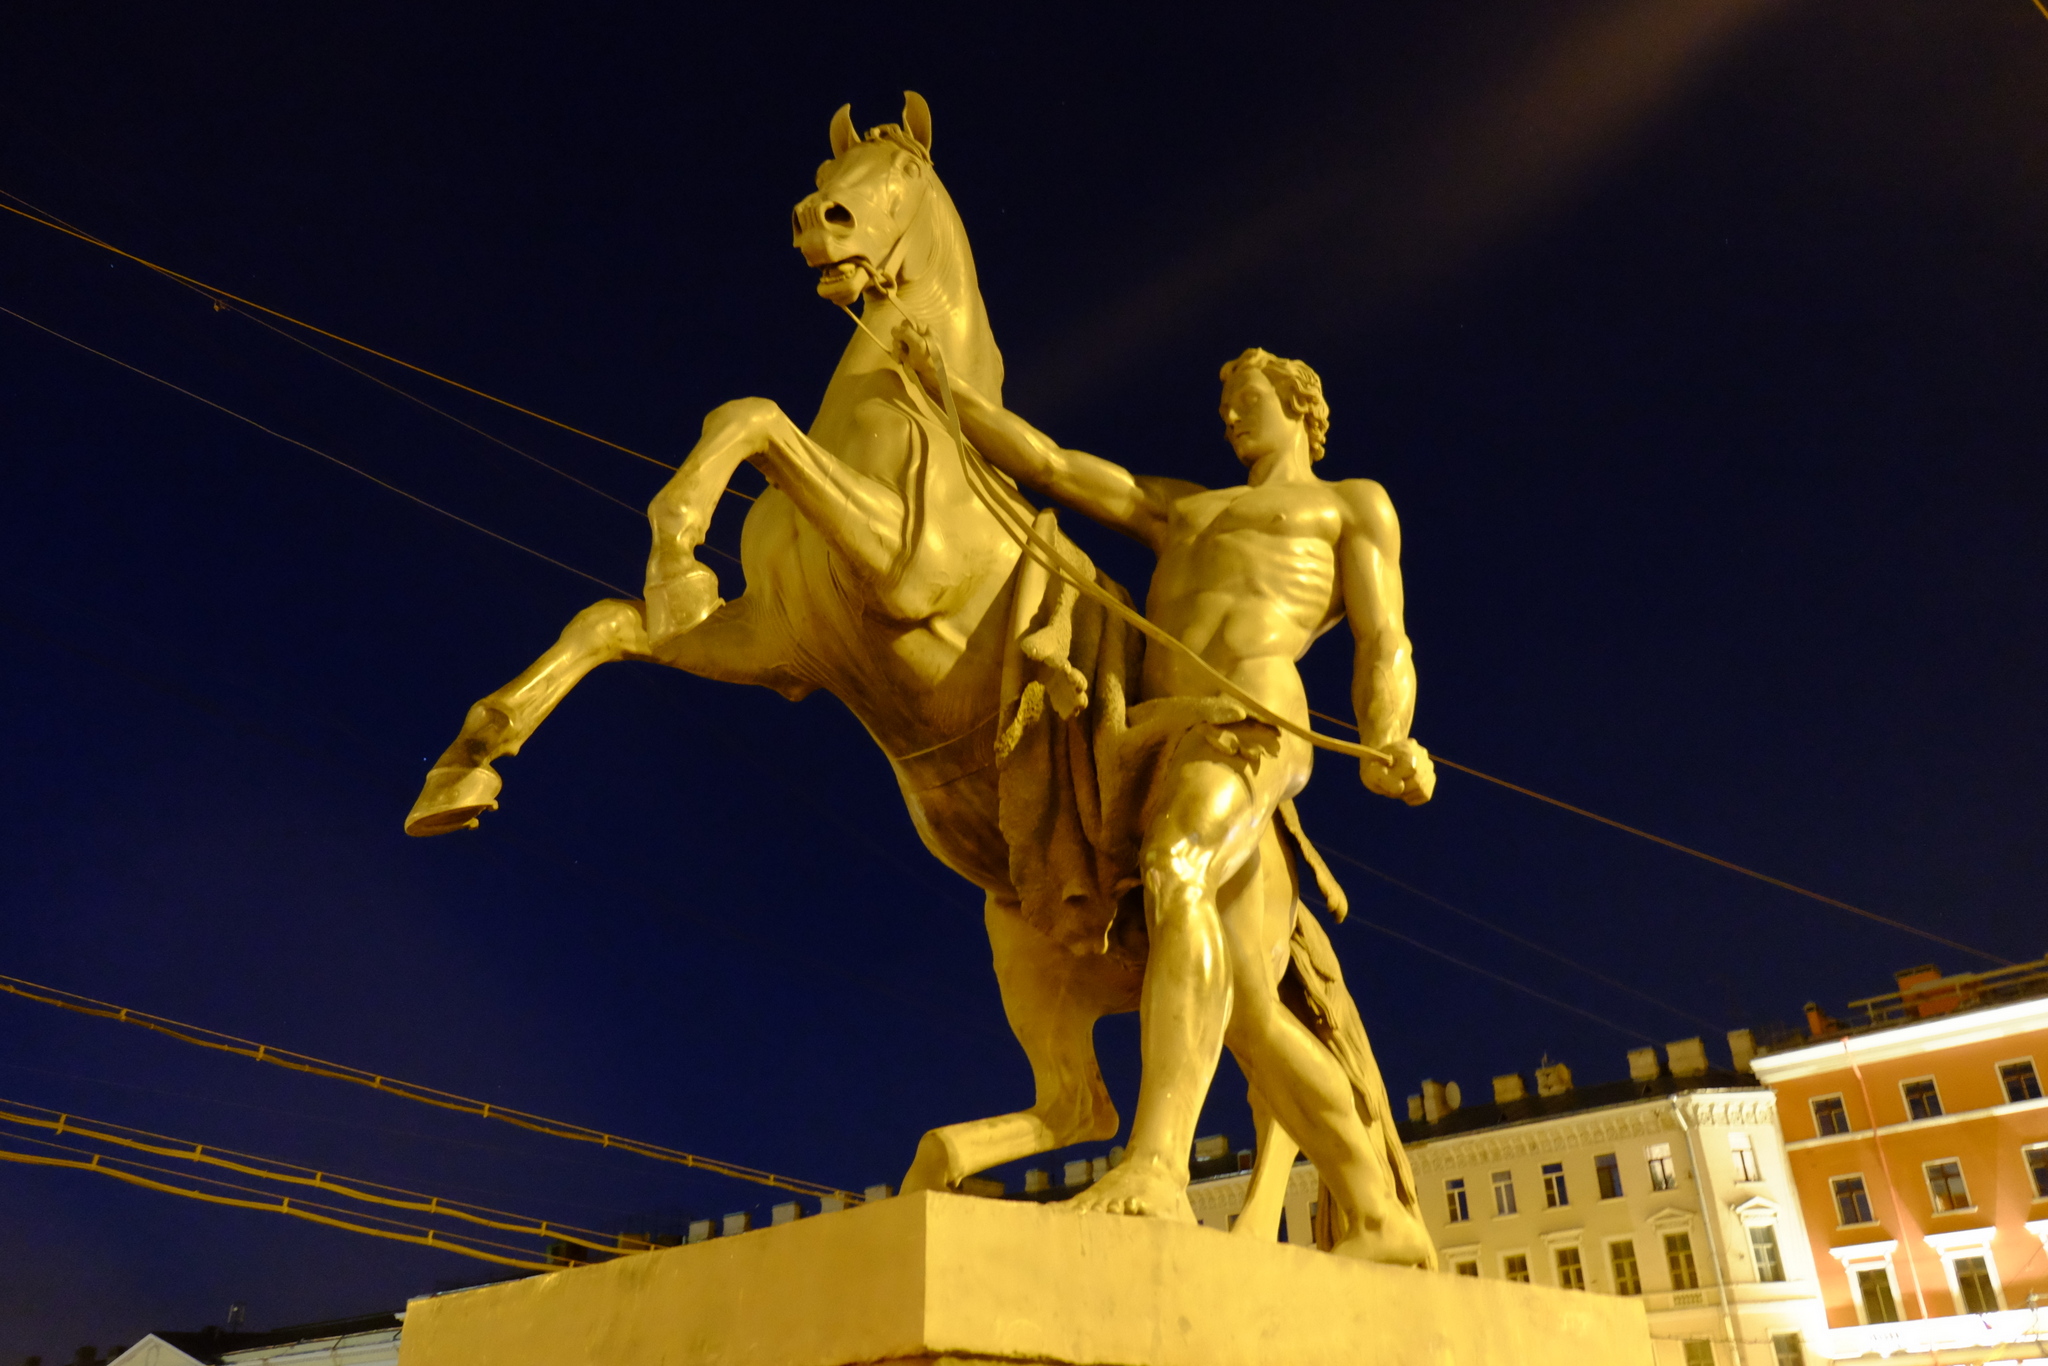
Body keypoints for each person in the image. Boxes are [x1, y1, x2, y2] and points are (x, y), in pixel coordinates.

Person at [895, 325, 1435, 1262]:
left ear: (1300, 406)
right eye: (1223, 406)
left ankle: (1156, 1165)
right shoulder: (1183, 508)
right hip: (1148, 727)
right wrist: (945, 388)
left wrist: (1388, 735)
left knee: (1176, 861)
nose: (1229, 417)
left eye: (1246, 400)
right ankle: (1380, 1215)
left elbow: (1385, 638)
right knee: (1250, 1012)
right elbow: (1052, 465)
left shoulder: (1350, 505)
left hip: (1252, 710)